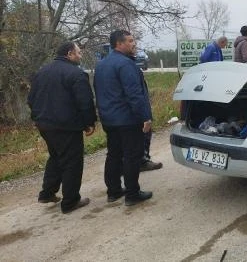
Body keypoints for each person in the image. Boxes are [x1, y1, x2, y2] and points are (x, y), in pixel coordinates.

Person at [27, 42, 96, 214]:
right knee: (72, 162)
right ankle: (71, 201)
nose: (80, 56)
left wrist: (38, 116)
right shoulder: (76, 74)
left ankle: (47, 193)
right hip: (66, 126)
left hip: (44, 124)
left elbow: (30, 99)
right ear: (70, 53)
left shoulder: (41, 72)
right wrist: (89, 123)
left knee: (56, 156)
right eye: (79, 52)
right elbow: (85, 103)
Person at [94, 30, 153, 206]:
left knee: (113, 154)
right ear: (119, 44)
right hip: (127, 120)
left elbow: (99, 92)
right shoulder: (126, 65)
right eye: (130, 41)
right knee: (132, 156)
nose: (134, 44)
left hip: (109, 119)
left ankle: (113, 191)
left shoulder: (101, 65)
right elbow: (134, 95)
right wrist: (145, 117)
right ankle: (132, 194)